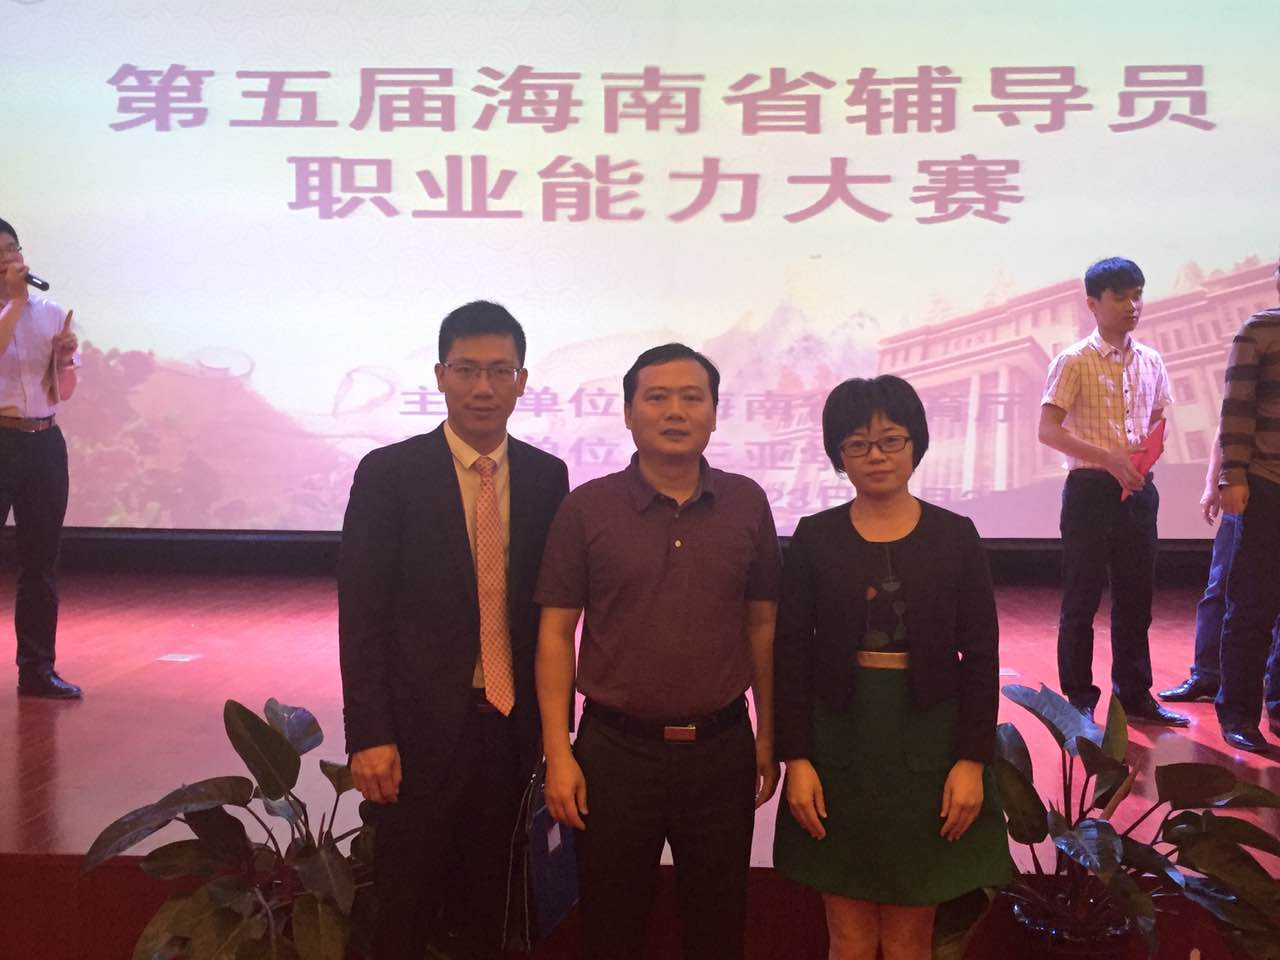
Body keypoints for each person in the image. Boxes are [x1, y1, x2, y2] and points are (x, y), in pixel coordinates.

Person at [338, 300, 569, 959]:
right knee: (406, 907)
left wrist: (554, 733)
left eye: (500, 371)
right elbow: (362, 614)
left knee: (491, 907)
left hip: (511, 727)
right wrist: (370, 735)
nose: (483, 387)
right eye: (467, 369)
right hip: (418, 733)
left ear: (522, 381)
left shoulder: (547, 478)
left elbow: (550, 616)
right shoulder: (389, 474)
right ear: (440, 376)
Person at [535, 343, 781, 960]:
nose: (676, 411)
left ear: (715, 413)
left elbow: (763, 627)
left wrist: (769, 735)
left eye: (692, 398)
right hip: (615, 754)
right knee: (610, 928)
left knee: (718, 927)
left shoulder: (747, 502)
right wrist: (558, 752)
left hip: (721, 749)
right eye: (658, 397)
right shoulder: (586, 507)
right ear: (628, 413)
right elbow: (556, 635)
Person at [772, 375, 1009, 960]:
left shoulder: (955, 536)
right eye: (857, 444)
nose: (875, 455)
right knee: (849, 936)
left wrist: (972, 761)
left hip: (929, 744)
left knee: (908, 938)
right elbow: (791, 653)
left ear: (916, 443)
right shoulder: (815, 538)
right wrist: (796, 759)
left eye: (890, 440)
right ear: (838, 455)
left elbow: (982, 655)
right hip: (839, 742)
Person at [1037, 257, 1187, 726]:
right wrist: (1109, 459)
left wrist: (1143, 458)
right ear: (1093, 304)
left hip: (1138, 491)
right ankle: (1079, 698)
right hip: (1089, 491)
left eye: (1137, 295)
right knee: (1081, 600)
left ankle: (1135, 694)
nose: (1132, 305)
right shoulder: (1073, 360)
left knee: (1136, 599)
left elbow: (1159, 420)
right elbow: (1048, 430)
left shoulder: (1152, 360)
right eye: (1120, 296)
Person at [0, 216, 82, 699]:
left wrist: (64, 359)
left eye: (12, 249)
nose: (9, 259)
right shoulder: (15, 308)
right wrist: (13, 303)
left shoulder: (49, 313)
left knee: (40, 562)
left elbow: (63, 391)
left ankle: (37, 670)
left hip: (44, 442)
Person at [1157, 422, 1280, 727]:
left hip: (1268, 496)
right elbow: (1224, 431)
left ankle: (1271, 691)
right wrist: (1212, 484)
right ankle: (1207, 676)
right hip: (1248, 496)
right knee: (1219, 588)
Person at [1213, 257, 1280, 754]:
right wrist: (1231, 476)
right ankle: (1238, 713)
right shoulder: (1259, 331)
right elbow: (1235, 410)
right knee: (1252, 606)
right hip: (1266, 483)